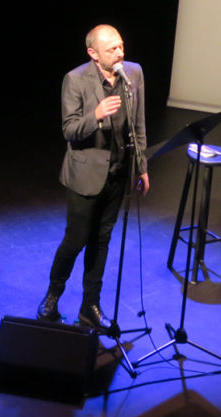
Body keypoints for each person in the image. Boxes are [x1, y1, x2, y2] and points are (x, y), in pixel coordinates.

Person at [39, 25, 150, 331]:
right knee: (75, 241)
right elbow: (69, 130)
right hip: (85, 175)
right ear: (93, 53)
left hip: (118, 173)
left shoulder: (134, 74)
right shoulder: (75, 79)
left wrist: (141, 167)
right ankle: (52, 296)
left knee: (101, 241)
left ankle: (91, 305)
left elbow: (138, 124)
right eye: (112, 49)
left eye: (121, 46)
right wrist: (96, 115)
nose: (120, 53)